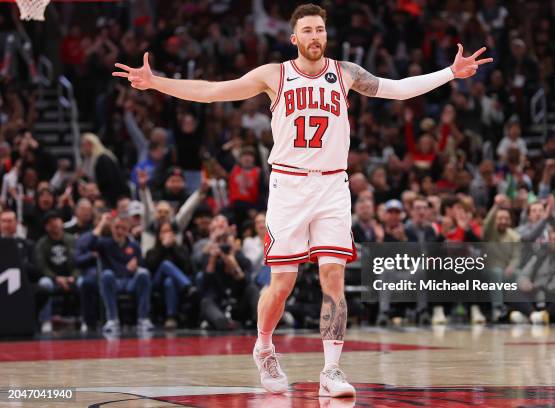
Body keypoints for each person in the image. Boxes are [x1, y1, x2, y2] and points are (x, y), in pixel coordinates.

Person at [113, 3, 492, 397]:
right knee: (282, 282)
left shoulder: (345, 74)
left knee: (334, 278)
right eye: (308, 30)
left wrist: (450, 72)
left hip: (332, 187)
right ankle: (264, 346)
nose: (315, 36)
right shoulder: (273, 75)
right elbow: (212, 92)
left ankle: (331, 370)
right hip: (289, 187)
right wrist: (157, 82)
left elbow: (395, 89)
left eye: (321, 30)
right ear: (294, 38)